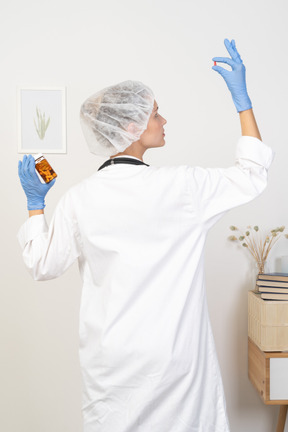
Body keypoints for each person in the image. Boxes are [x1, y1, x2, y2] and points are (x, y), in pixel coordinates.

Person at [18, 39, 274, 432]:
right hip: (174, 358)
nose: (164, 121)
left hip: (111, 363)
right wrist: (242, 101)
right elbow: (252, 174)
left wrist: (36, 205)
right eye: (156, 113)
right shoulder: (182, 187)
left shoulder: (79, 199)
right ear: (131, 126)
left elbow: (42, 264)